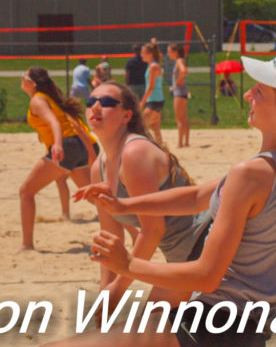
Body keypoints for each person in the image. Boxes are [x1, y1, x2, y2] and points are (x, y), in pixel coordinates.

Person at [54, 50, 276, 347]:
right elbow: (197, 195)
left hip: (209, 329)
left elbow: (207, 276)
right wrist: (125, 205)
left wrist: (126, 266)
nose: (247, 95)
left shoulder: (252, 173)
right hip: (247, 331)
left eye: (259, 91)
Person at [78, 82, 206, 305]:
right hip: (182, 256)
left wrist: (118, 288)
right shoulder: (98, 169)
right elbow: (110, 238)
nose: (96, 107)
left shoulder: (134, 152)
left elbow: (154, 229)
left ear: (126, 115)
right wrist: (105, 292)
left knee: (150, 330)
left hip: (206, 245)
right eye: (90, 102)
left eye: (106, 102)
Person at [18, 66, 98, 251]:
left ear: (31, 83)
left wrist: (58, 144)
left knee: (26, 192)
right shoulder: (48, 98)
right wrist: (90, 152)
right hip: (77, 147)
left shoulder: (38, 100)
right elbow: (69, 123)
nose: (21, 80)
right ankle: (131, 223)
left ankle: (27, 244)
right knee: (92, 196)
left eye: (23, 76)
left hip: (67, 146)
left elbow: (54, 122)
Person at [140, 42, 165, 145]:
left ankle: (149, 149)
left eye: (143, 52)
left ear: (150, 54)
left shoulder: (153, 66)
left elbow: (151, 87)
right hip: (156, 100)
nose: (141, 55)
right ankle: (162, 150)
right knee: (155, 128)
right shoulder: (152, 65)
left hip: (154, 101)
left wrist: (142, 102)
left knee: (141, 127)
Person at [168, 43, 191, 148]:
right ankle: (186, 142)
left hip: (179, 92)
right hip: (182, 91)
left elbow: (184, 71)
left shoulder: (179, 61)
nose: (168, 54)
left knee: (179, 119)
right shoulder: (180, 60)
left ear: (175, 52)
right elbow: (185, 71)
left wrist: (179, 80)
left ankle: (180, 143)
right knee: (184, 118)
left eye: (169, 51)